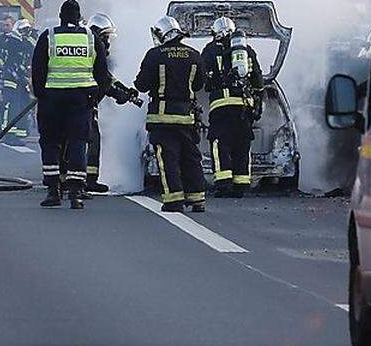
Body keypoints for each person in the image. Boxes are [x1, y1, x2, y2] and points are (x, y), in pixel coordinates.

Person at [31, 0, 112, 209]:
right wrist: (94, 98)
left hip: (52, 102)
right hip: (81, 103)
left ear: (60, 17)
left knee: (50, 144)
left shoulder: (48, 37)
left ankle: (53, 191)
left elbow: (37, 71)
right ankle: (76, 193)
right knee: (78, 144)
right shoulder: (91, 38)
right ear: (78, 18)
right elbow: (103, 76)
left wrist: (42, 96)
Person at [135, 16, 207, 213]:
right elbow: (200, 85)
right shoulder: (194, 55)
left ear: (160, 34)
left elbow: (141, 84)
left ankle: (174, 199)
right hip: (187, 117)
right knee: (191, 157)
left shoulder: (155, 55)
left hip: (162, 117)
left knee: (168, 158)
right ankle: (197, 198)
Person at [63, 12, 140, 194]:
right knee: (90, 138)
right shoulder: (93, 50)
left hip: (77, 101)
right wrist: (118, 94)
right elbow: (102, 81)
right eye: (105, 37)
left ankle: (74, 178)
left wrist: (125, 90)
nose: (107, 42)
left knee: (79, 139)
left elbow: (107, 78)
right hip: (81, 102)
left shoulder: (90, 48)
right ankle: (85, 180)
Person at [201, 18, 264, 198]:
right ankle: (241, 185)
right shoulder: (247, 52)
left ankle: (223, 184)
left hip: (221, 105)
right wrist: (257, 98)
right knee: (242, 145)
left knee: (219, 143)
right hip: (244, 106)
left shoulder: (211, 50)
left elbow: (202, 75)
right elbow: (258, 80)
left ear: (216, 33)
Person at [0, 19, 36, 143]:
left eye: (27, 30)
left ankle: (20, 132)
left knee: (23, 104)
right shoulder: (13, 41)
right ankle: (9, 134)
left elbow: (32, 49)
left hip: (21, 79)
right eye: (23, 30)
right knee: (12, 104)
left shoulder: (26, 42)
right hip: (11, 78)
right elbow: (8, 59)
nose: (26, 33)